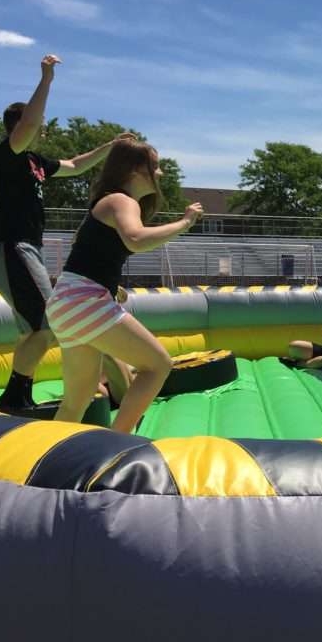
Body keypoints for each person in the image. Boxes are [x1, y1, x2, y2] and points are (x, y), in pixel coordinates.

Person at [0, 53, 132, 410]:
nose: (42, 127)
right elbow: (30, 124)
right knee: (48, 323)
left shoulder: (35, 162)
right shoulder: (7, 153)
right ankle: (15, 394)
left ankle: (17, 392)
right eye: (34, 124)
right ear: (18, 127)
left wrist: (109, 147)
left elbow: (75, 165)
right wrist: (46, 80)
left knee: (34, 327)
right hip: (13, 245)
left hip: (27, 247)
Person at [44, 140, 203, 433]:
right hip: (83, 301)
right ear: (134, 170)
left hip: (65, 303)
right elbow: (136, 239)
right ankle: (118, 443)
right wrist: (184, 223)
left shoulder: (109, 202)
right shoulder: (121, 201)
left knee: (75, 402)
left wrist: (110, 287)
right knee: (157, 365)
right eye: (154, 166)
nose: (161, 173)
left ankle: (46, 456)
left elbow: (93, 254)